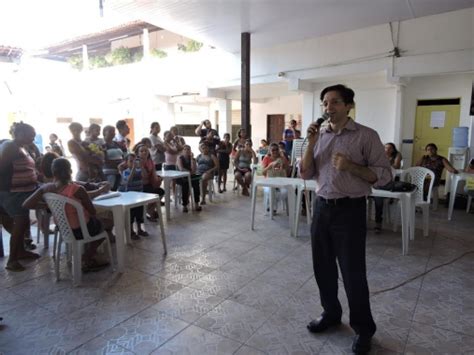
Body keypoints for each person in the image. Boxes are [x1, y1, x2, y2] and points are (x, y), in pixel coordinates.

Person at [300, 84, 392, 354]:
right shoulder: (319, 136)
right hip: (321, 208)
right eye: (325, 103)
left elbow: (385, 175)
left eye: (335, 102)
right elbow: (305, 173)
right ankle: (330, 313)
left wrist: (351, 166)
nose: (328, 108)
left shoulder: (366, 136)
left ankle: (363, 329)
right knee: (323, 267)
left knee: (353, 273)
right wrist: (312, 143)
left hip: (350, 211)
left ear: (349, 105)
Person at [22, 158, 113, 272]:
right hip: (80, 230)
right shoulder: (78, 189)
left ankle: (87, 253)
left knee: (93, 224)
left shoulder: (46, 188)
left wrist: (48, 205)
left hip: (63, 229)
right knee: (107, 223)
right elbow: (92, 211)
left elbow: (26, 204)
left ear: (53, 172)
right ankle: (87, 256)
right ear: (70, 171)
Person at [0, 122, 41, 271]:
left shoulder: (21, 147)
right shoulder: (10, 146)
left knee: (22, 224)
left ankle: (21, 252)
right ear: (20, 134)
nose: (33, 137)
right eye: (31, 134)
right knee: (21, 223)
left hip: (21, 192)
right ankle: (12, 260)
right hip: (12, 193)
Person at [374, 142, 403, 233]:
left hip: (385, 184)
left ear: (393, 149)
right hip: (374, 184)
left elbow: (396, 166)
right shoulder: (378, 157)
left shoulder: (396, 155)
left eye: (389, 148)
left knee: (378, 198)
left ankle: (378, 223)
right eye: (385, 148)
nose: (387, 150)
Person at [119, 153, 148, 239]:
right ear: (127, 163)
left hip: (139, 196)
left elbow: (145, 176)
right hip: (130, 198)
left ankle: (139, 229)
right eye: (130, 161)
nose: (133, 163)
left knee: (139, 214)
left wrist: (141, 166)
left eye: (134, 161)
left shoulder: (139, 171)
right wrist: (133, 169)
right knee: (131, 215)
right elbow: (128, 181)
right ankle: (131, 231)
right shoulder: (126, 172)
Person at [177, 145, 202, 212]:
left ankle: (197, 203)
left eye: (188, 149)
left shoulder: (193, 159)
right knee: (185, 185)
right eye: (185, 149)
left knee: (196, 184)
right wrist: (189, 172)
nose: (187, 151)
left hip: (191, 176)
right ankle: (184, 205)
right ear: (182, 151)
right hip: (182, 176)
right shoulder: (180, 158)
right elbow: (181, 168)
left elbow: (194, 170)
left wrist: (191, 159)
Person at [102, 125, 125, 191]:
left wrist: (123, 164)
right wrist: (118, 165)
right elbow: (104, 160)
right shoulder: (103, 144)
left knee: (117, 190)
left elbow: (122, 155)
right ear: (104, 133)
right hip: (109, 173)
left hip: (119, 171)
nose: (113, 133)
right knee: (109, 190)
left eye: (114, 131)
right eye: (110, 131)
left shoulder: (116, 143)